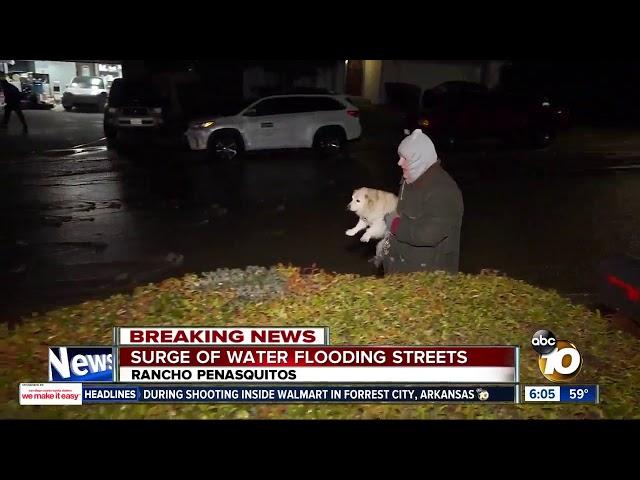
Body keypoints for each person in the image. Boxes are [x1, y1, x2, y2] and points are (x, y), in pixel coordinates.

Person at [381, 129, 463, 274]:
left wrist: (394, 224)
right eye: (400, 157)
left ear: (419, 159)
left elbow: (429, 234)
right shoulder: (410, 179)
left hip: (426, 278)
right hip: (402, 269)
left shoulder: (444, 190)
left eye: (405, 158)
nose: (399, 162)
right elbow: (403, 214)